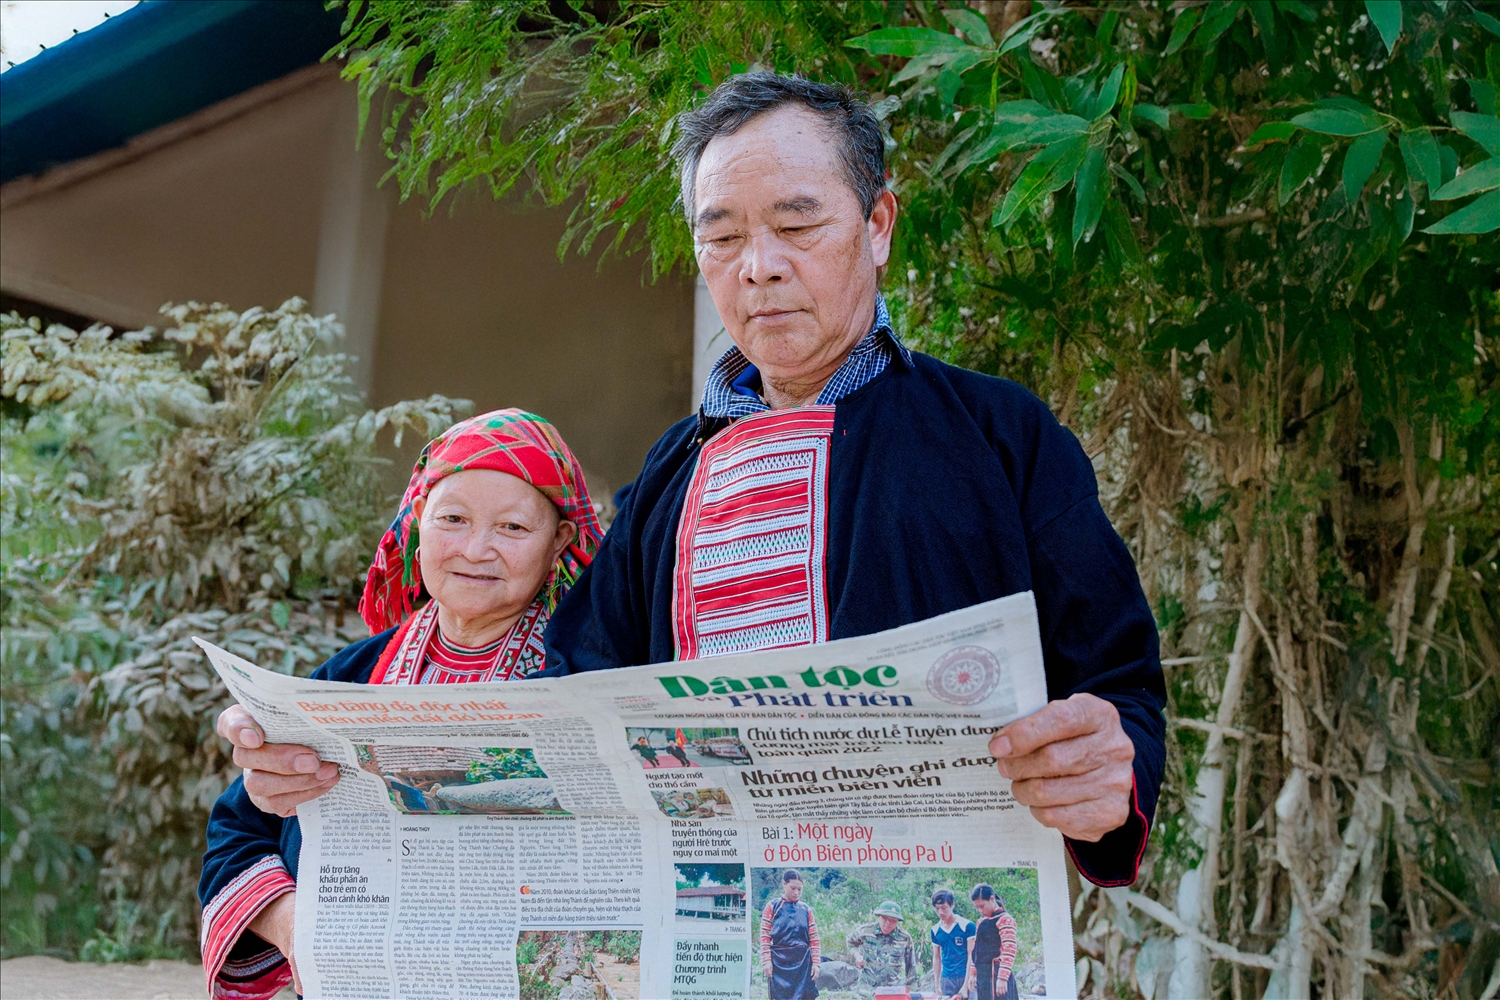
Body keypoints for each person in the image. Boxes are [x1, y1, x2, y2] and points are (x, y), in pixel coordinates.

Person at [545, 72, 1166, 889]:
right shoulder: (667, 477)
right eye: (722, 238)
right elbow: (575, 692)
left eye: (797, 223)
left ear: (877, 225)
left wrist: (1108, 768)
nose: (758, 267)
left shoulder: (999, 435)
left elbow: (1118, 684)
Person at [198, 409, 602, 1000]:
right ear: (418, 521)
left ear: (559, 540)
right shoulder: (351, 676)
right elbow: (236, 829)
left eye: (513, 528)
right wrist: (293, 927)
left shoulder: (589, 672)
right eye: (453, 519)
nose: (476, 549)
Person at [760, 869, 820, 999]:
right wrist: (766, 961)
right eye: (793, 888)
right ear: (784, 884)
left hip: (803, 963)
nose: (796, 892)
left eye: (800, 889)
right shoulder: (772, 906)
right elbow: (765, 936)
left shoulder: (806, 909)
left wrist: (816, 963)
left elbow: (814, 938)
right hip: (779, 962)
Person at [847, 901, 917, 997]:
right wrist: (857, 956)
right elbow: (850, 943)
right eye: (885, 918)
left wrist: (910, 991)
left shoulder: (904, 937)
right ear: (879, 916)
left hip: (892, 991)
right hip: (866, 989)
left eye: (893, 920)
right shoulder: (865, 931)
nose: (888, 923)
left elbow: (911, 966)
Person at [968, 885, 1018, 1000]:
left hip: (997, 974)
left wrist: (1002, 978)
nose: (980, 910)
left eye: (982, 906)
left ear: (991, 899)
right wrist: (973, 973)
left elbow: (1009, 949)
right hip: (983, 976)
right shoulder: (981, 922)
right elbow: (976, 950)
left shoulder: (1005, 919)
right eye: (977, 907)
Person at [929, 889, 976, 1000]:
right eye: (937, 909)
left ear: (952, 905)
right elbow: (936, 957)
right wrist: (937, 985)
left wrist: (966, 985)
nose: (941, 912)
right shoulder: (935, 930)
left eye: (944, 908)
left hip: (965, 975)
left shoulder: (967, 926)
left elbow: (972, 954)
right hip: (947, 979)